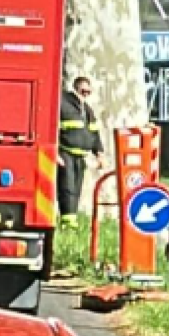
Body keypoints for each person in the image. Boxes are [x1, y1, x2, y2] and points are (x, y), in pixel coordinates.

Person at [57, 76, 104, 225]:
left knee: (76, 189)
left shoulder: (87, 110)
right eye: (83, 90)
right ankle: (67, 222)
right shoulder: (62, 104)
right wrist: (55, 154)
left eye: (88, 92)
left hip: (80, 156)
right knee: (67, 187)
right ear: (75, 88)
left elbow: (94, 133)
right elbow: (51, 129)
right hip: (65, 153)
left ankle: (72, 219)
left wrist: (99, 154)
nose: (85, 94)